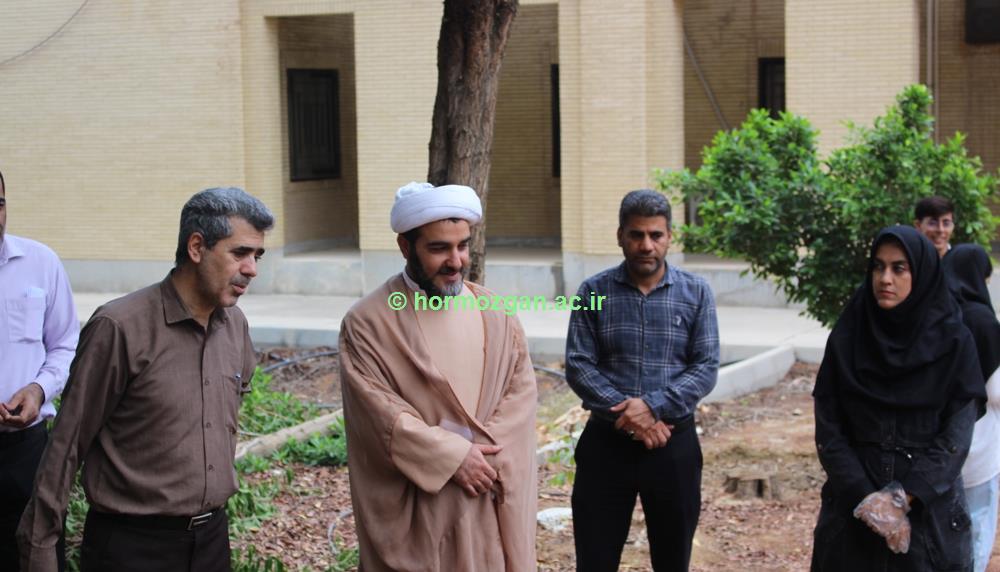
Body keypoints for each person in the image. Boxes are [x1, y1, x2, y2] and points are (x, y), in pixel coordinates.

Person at [17, 187, 273, 572]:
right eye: (240, 253)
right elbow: (66, 447)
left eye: (257, 255)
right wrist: (39, 551)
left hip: (211, 543)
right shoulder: (120, 327)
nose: (252, 269)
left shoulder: (235, 326)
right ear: (197, 247)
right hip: (130, 548)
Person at [339, 181, 538, 571]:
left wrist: (484, 456)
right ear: (405, 247)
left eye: (462, 246)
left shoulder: (496, 313)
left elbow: (521, 394)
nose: (456, 261)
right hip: (426, 509)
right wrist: (451, 458)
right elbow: (376, 414)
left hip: (489, 492)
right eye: (438, 248)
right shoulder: (368, 322)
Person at [811, 226, 985, 571]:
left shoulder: (954, 342)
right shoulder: (849, 336)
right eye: (878, 267)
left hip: (928, 521)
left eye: (898, 268)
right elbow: (829, 429)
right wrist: (867, 499)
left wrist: (900, 499)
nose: (885, 278)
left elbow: (956, 436)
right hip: (853, 516)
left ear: (921, 274)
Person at [565, 189, 720, 572]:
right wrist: (631, 417)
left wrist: (652, 407)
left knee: (673, 560)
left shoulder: (696, 293)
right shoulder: (592, 292)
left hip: (673, 446)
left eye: (655, 235)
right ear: (620, 236)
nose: (646, 245)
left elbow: (705, 366)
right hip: (606, 447)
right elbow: (579, 364)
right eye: (636, 235)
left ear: (670, 237)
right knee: (595, 560)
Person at [0, 168, 79, 572]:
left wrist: (38, 389)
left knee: (35, 555)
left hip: (26, 451)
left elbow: (65, 343)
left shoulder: (40, 262)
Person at [944, 243, 1000, 572]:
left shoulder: (934, 314)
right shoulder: (983, 321)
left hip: (934, 444)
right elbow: (996, 393)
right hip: (979, 442)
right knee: (977, 523)